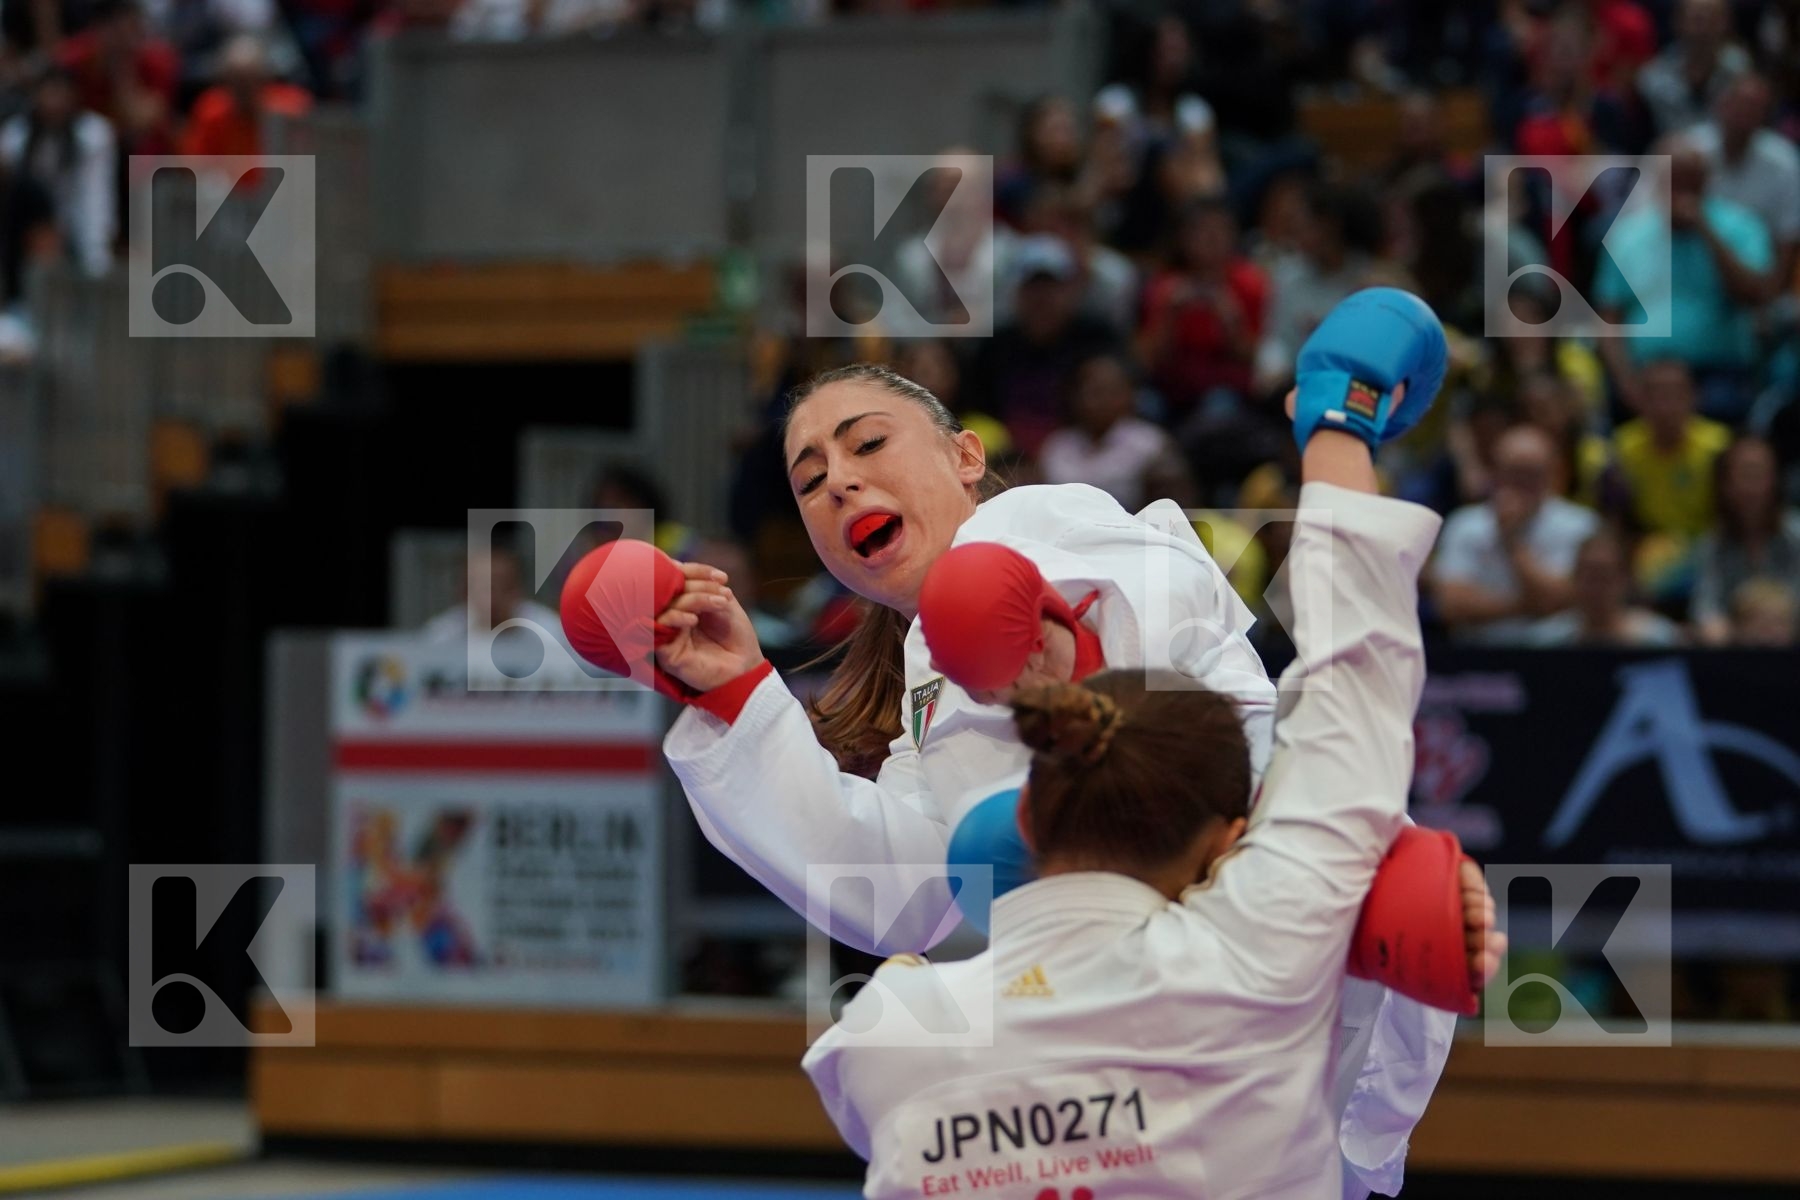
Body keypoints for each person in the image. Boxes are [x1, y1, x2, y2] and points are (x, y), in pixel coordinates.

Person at [569, 352, 1474, 1197]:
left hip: (1251, 970)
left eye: (870, 443)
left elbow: (1198, 712)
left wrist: (1057, 638)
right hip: (1138, 1048)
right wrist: (734, 694)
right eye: (809, 481)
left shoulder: (1059, 525)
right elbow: (897, 891)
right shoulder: (929, 672)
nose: (839, 480)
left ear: (968, 456)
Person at [1592, 137, 1773, 422]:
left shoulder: (1742, 226)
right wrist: (1626, 381)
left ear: (1707, 182)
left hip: (1718, 370)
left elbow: (1755, 295)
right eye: (1676, 181)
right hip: (1645, 372)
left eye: (1692, 182)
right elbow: (1609, 318)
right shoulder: (1627, 235)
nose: (1683, 192)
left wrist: (1705, 229)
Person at [1431, 423, 1600, 643]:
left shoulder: (1581, 525)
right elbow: (1451, 605)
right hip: (1480, 654)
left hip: (1557, 652)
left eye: (1532, 473)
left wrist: (1512, 542)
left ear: (1554, 471)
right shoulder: (1464, 524)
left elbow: (1564, 598)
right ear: (1496, 472)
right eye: (1514, 472)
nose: (1522, 483)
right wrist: (1526, 607)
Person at [1692, 435, 1800, 644]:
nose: (1753, 486)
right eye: (1745, 475)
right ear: (1725, 484)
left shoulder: (1797, 536)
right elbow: (1706, 611)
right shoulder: (1713, 544)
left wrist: (1775, 626)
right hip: (1737, 651)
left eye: (1760, 474)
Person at [1527, 529, 1683, 646]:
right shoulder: (1547, 641)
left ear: (1624, 579)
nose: (1596, 588)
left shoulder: (1657, 638)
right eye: (1588, 577)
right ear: (1574, 578)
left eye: (1604, 576)